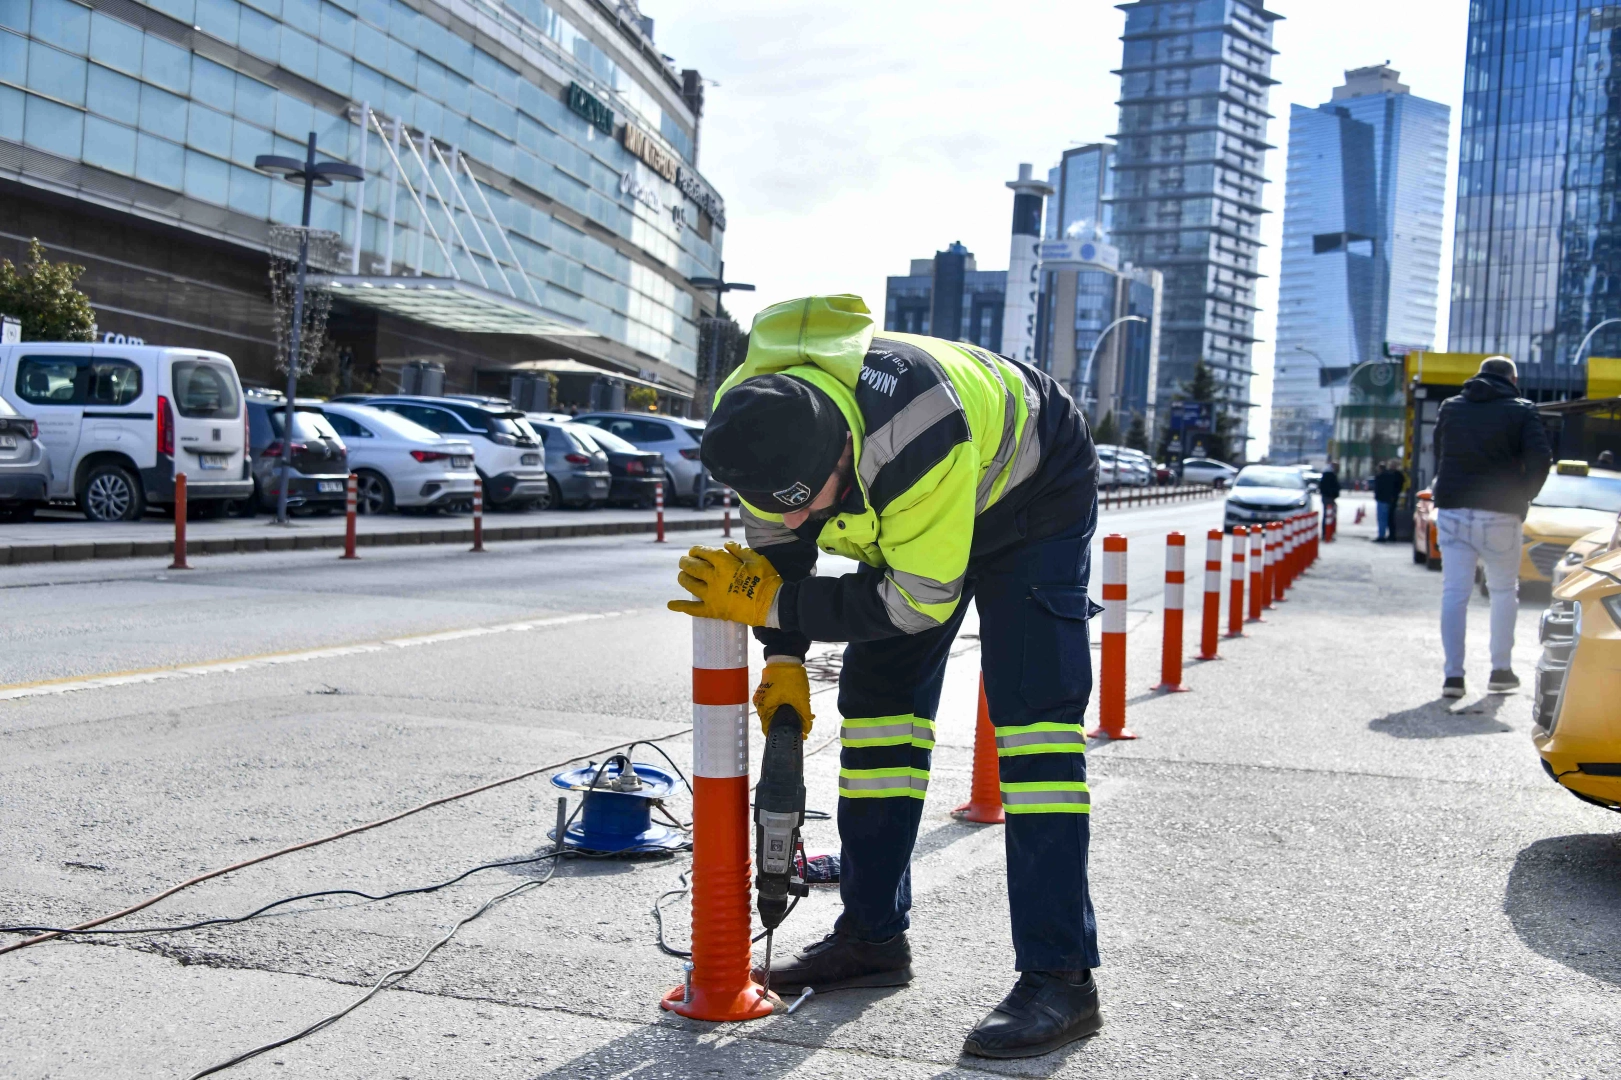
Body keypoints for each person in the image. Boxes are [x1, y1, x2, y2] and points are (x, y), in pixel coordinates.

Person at [668, 294, 1102, 1059]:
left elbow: (915, 602)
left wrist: (779, 601)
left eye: (806, 505)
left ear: (843, 452)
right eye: (777, 506)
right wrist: (783, 657)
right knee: (876, 720)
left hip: (1030, 492)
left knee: (1036, 735)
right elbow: (779, 559)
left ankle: (1060, 978)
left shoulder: (912, 431)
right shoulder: (758, 428)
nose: (795, 520)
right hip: (914, 502)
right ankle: (870, 937)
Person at [1431, 356, 1552, 698]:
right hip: (1500, 512)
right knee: (1502, 592)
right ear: (1513, 379)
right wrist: (1523, 496)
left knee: (1455, 594)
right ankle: (1501, 671)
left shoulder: (1451, 407)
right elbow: (1542, 458)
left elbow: (1439, 452)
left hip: (1453, 508)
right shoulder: (1522, 409)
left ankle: (1453, 677)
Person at [1372, 460, 1405, 541]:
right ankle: (1389, 535)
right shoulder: (1392, 475)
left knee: (1384, 518)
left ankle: (1385, 536)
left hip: (1386, 499)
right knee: (1388, 518)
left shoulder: (1387, 476)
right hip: (1390, 499)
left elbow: (1379, 488)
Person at [1318, 461, 1341, 539]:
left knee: (1328, 515)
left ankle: (1328, 532)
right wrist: (1333, 494)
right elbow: (1331, 486)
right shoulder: (1329, 475)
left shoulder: (1328, 474)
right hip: (1328, 497)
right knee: (1328, 515)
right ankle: (1326, 533)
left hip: (1328, 497)